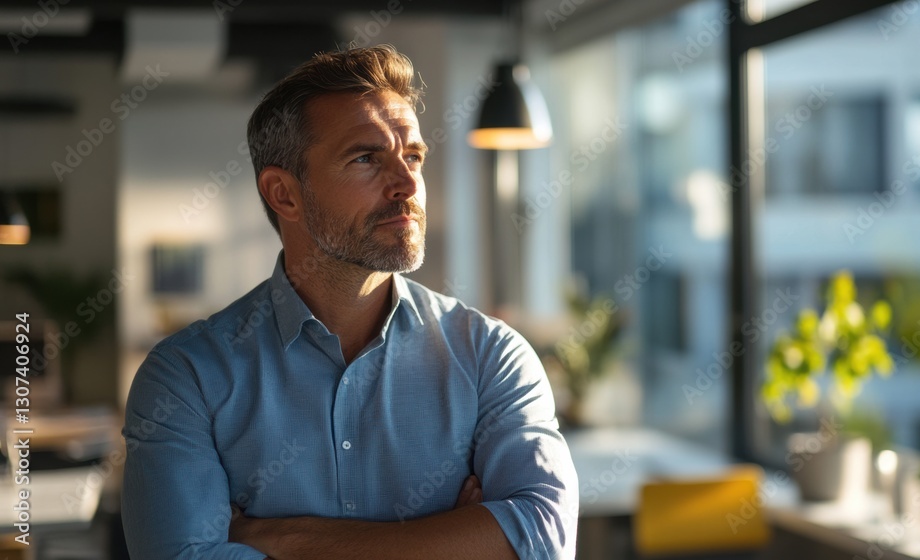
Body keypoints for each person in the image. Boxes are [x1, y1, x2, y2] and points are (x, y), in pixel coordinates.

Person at [120, 45, 578, 559]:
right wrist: (452, 537)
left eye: (413, 157)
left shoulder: (492, 356)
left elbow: (542, 540)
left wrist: (286, 540)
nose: (407, 184)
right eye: (365, 158)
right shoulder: (187, 377)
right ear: (284, 194)